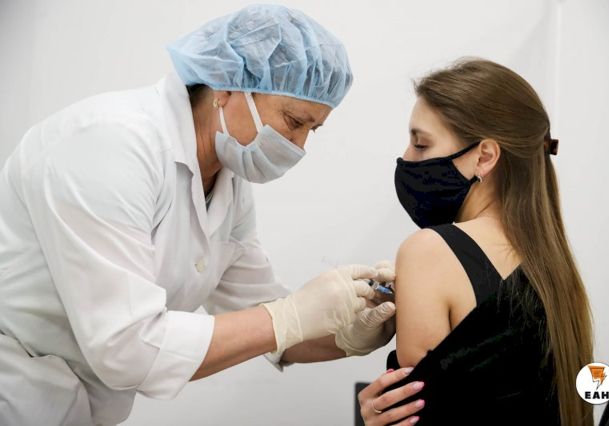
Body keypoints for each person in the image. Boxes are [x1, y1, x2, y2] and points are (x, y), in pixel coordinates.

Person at [0, 5, 396, 425]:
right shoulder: (110, 145)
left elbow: (264, 318)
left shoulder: (226, 177)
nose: (298, 146)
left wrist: (350, 333)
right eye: (293, 121)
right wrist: (290, 316)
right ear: (227, 87)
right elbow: (126, 349)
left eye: (311, 130)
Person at [357, 59, 593, 425]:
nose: (406, 158)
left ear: (484, 157)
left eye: (420, 144)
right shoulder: (555, 270)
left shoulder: (428, 251)